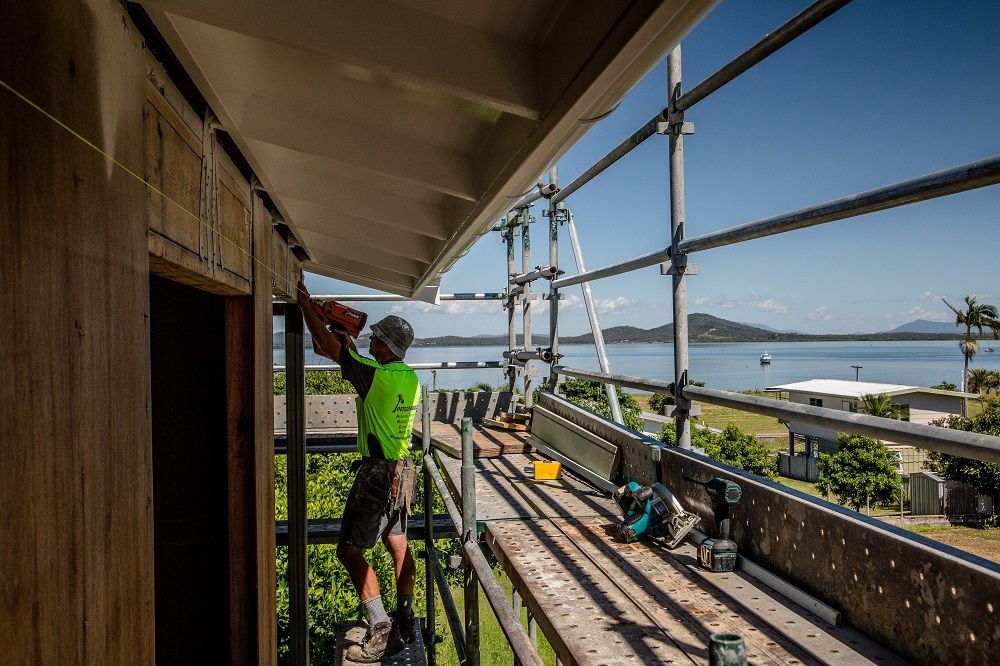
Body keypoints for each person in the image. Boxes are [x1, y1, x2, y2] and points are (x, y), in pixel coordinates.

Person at [297, 283, 420, 663]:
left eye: (376, 340)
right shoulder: (406, 377)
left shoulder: (374, 375)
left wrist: (306, 306)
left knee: (349, 550)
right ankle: (405, 614)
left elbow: (329, 350)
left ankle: (382, 628)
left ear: (387, 346)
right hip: (403, 473)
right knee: (396, 542)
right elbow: (345, 353)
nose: (370, 343)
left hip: (378, 476)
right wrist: (340, 335)